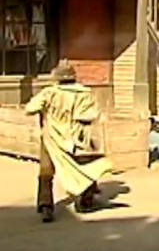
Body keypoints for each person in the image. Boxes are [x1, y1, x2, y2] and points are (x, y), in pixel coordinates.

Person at [26, 60, 112, 223]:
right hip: (76, 138)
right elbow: (91, 115)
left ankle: (46, 206)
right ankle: (86, 201)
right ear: (73, 77)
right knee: (85, 168)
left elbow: (30, 108)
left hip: (51, 137)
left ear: (57, 77)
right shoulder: (85, 93)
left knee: (46, 173)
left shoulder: (49, 93)